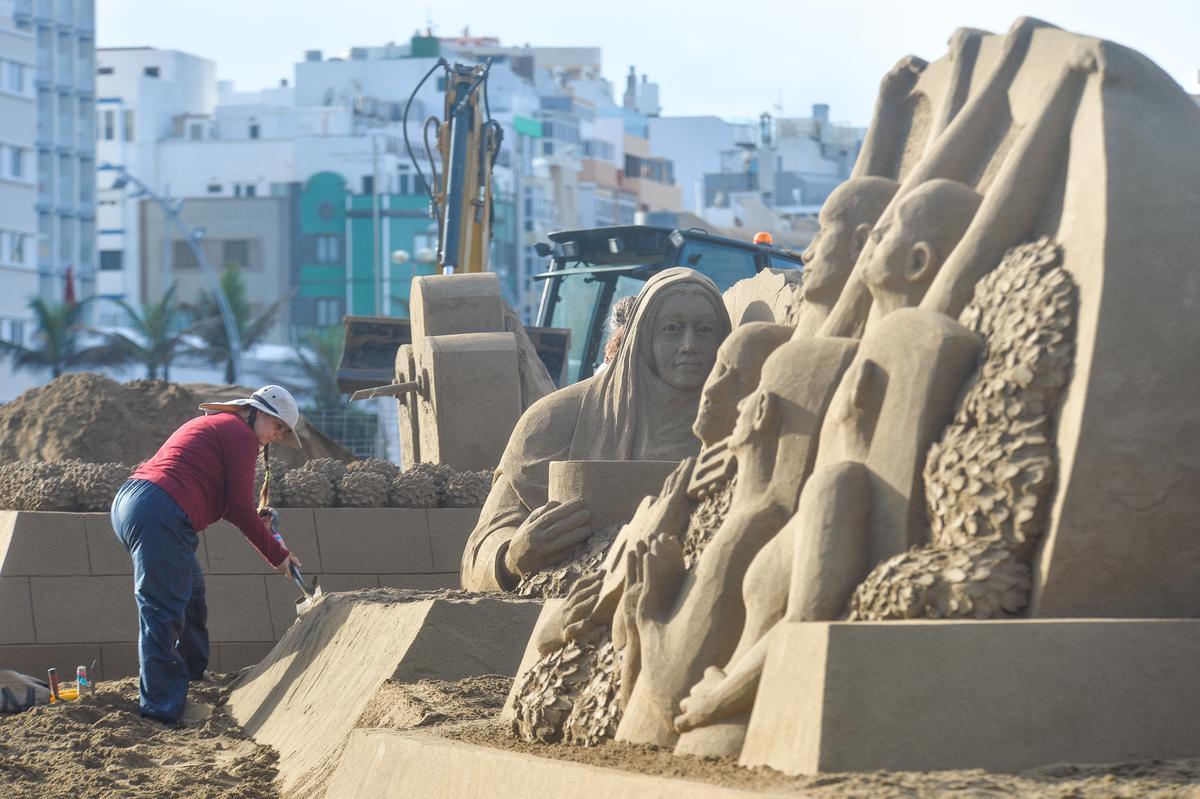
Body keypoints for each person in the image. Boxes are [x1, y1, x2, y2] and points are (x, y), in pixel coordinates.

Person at [461, 268, 732, 592]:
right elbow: (476, 555)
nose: (690, 344)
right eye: (672, 329)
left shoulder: (738, 426)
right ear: (643, 336)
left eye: (704, 330)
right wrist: (512, 557)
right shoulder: (554, 422)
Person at [110, 385, 305, 726]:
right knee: (162, 610)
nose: (278, 435)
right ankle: (160, 710)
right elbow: (241, 509)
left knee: (192, 594)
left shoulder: (221, 427)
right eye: (277, 426)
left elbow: (231, 505)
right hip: (159, 511)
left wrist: (254, 520)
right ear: (256, 412)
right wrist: (278, 555)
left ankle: (191, 675)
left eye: (284, 431)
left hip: (139, 503)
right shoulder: (239, 434)